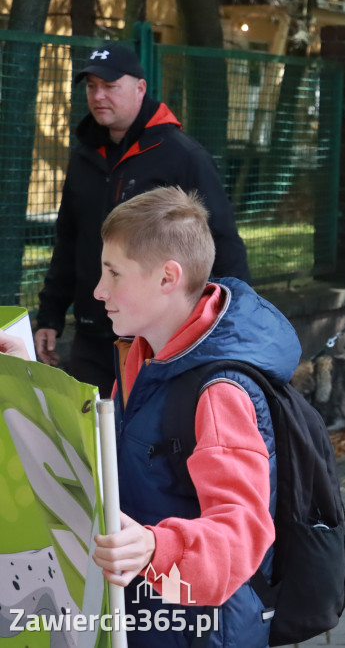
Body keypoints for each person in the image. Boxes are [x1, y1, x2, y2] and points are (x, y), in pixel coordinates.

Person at [88, 185, 299, 647]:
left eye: (114, 273)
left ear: (168, 277)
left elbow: (241, 531)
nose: (99, 290)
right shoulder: (143, 352)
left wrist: (155, 548)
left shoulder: (220, 393)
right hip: (150, 617)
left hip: (203, 631)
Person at [35, 41, 249, 398]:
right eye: (91, 87)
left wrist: (235, 328)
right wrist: (50, 317)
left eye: (109, 85)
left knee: (146, 448)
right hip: (92, 335)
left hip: (157, 342)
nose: (99, 96)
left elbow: (222, 244)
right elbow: (70, 242)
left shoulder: (182, 156)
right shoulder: (83, 158)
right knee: (92, 446)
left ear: (140, 88)